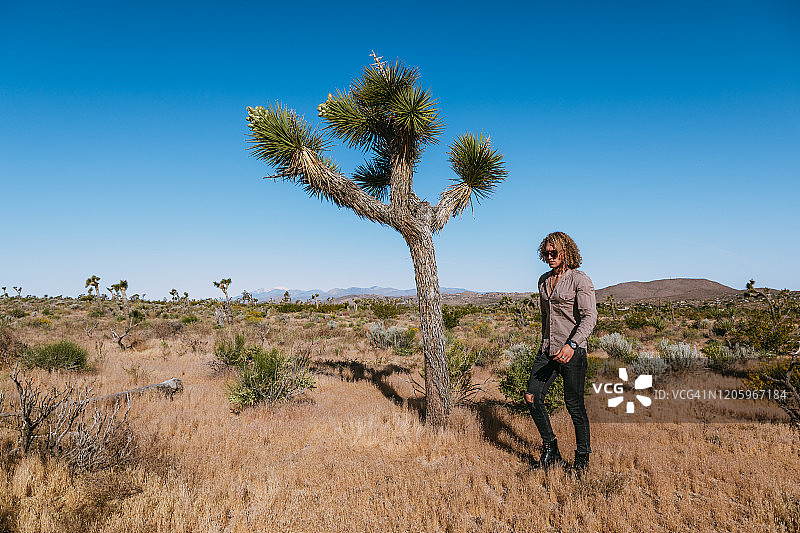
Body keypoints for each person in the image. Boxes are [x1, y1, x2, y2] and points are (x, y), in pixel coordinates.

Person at [524, 231, 597, 473]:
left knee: (574, 406)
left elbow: (589, 317)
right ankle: (551, 450)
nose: (549, 256)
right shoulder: (543, 280)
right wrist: (545, 344)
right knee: (533, 398)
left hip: (572, 352)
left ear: (567, 252)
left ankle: (581, 461)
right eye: (546, 252)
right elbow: (546, 317)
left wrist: (572, 344)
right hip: (547, 350)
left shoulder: (580, 279)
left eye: (554, 252)